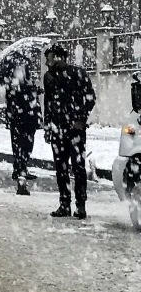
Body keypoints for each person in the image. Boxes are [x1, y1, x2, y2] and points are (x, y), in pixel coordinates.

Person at [43, 44, 96, 219]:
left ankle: (80, 205)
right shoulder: (48, 77)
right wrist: (48, 126)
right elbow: (48, 103)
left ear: (59, 57)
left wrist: (81, 119)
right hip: (57, 127)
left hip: (75, 128)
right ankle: (64, 203)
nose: (46, 63)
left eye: (49, 58)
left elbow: (90, 97)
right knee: (61, 167)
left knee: (78, 167)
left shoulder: (77, 73)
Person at [0, 47, 42, 195]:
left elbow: (24, 91)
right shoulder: (12, 78)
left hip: (26, 115)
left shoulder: (24, 77)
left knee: (26, 142)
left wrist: (34, 90)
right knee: (21, 143)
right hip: (20, 116)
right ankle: (20, 169)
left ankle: (21, 168)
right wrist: (28, 90)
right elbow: (15, 95)